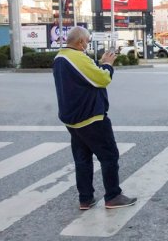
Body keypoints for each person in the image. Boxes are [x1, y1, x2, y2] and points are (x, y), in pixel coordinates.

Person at [53, 26, 137, 210]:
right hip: (91, 117)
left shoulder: (60, 57)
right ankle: (113, 196)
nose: (87, 45)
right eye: (87, 41)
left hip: (72, 120)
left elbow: (86, 78)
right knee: (109, 156)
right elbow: (102, 79)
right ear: (80, 42)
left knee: (82, 159)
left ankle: (85, 198)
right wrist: (107, 64)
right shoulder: (77, 57)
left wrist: (98, 64)